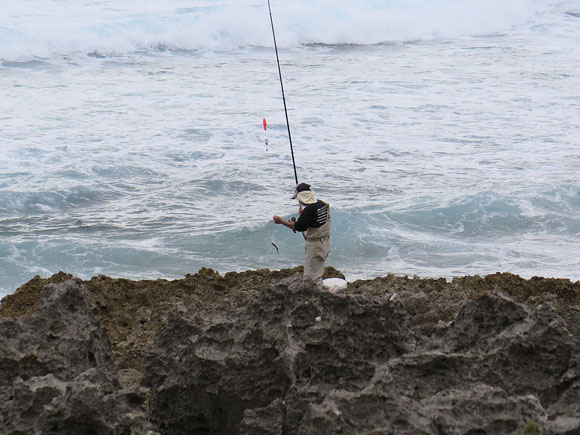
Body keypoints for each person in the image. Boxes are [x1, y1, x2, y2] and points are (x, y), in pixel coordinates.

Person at [273, 183, 331, 286]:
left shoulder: (309, 210)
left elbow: (299, 227)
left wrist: (281, 221)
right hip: (325, 243)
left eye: (298, 198)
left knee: (311, 279)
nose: (299, 201)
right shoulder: (322, 204)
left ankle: (320, 297)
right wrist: (303, 216)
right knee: (317, 274)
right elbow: (315, 222)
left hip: (315, 247)